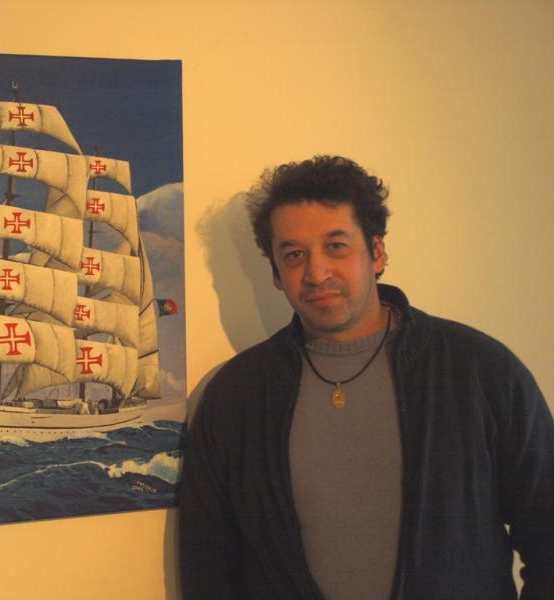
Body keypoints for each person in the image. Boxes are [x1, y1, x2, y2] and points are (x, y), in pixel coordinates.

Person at [178, 156, 554, 599]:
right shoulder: (236, 395)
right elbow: (207, 562)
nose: (317, 273)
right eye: (294, 255)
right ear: (276, 274)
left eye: (336, 246)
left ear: (376, 253)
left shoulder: (479, 371)